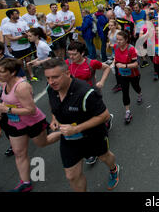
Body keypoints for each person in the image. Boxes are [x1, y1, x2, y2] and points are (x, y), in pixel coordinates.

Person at [43, 58, 120, 192]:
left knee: (104, 157)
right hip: (69, 139)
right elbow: (54, 104)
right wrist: (54, 118)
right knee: (71, 176)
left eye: (55, 77)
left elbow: (104, 116)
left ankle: (114, 169)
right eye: (47, 78)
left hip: (93, 135)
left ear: (67, 73)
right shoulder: (51, 89)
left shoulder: (85, 92)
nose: (51, 82)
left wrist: (76, 129)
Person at [0, 58, 60, 192]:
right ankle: (25, 183)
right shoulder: (4, 83)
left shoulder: (22, 87)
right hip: (15, 123)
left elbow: (31, 110)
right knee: (19, 153)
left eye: (1, 72)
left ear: (12, 73)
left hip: (32, 122)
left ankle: (64, 133)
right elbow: (5, 101)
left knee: (42, 143)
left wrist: (8, 110)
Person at [112, 30, 142, 124]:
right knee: (125, 92)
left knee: (136, 87)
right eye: (117, 39)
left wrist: (124, 66)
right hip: (122, 75)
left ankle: (139, 94)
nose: (118, 42)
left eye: (120, 40)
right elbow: (116, 58)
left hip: (133, 74)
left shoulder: (131, 49)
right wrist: (113, 64)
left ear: (126, 40)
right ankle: (127, 112)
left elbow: (136, 64)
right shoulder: (116, 47)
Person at [1, 9, 35, 81]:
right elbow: (10, 38)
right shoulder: (6, 26)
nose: (18, 14)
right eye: (16, 13)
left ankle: (32, 75)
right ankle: (23, 77)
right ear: (11, 15)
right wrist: (22, 36)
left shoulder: (23, 23)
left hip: (27, 46)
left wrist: (27, 34)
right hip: (16, 48)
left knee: (28, 61)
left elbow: (28, 32)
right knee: (20, 63)